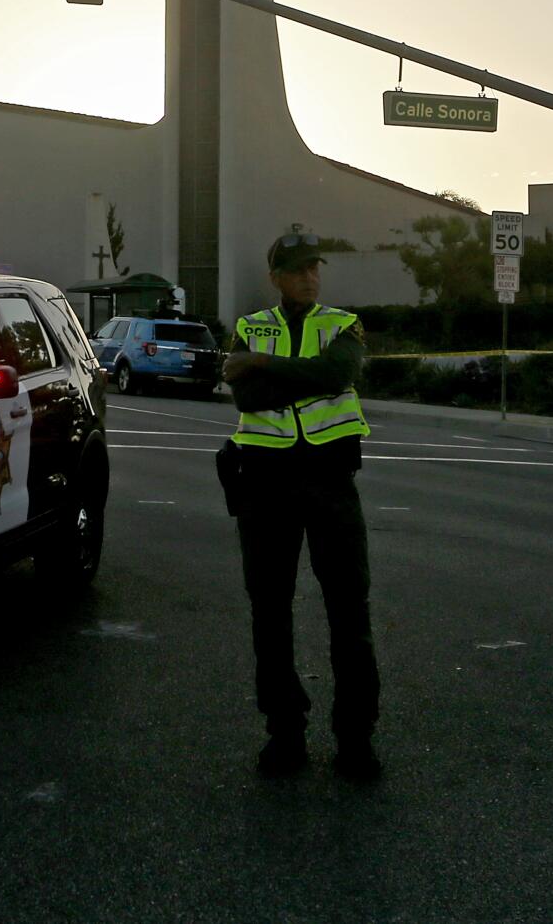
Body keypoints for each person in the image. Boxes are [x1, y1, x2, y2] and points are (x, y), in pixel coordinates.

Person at [221, 231, 381, 779]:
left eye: (314, 269)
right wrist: (285, 377)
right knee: (269, 612)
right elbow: (249, 397)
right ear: (276, 278)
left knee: (349, 612)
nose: (309, 278)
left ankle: (355, 739)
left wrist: (262, 364)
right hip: (265, 483)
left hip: (331, 482)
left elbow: (338, 374)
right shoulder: (249, 324)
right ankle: (284, 733)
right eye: (297, 271)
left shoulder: (343, 324)